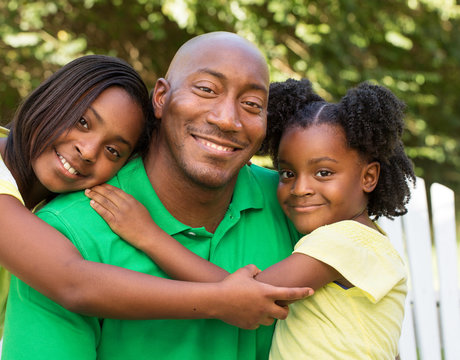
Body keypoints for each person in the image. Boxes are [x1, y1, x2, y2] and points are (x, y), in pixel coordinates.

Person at [0, 55, 310, 360]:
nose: (87, 151)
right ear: (50, 96)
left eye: (113, 150)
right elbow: (71, 281)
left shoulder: (56, 196)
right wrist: (219, 301)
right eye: (83, 122)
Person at [88, 78, 415, 359]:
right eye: (287, 173)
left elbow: (246, 297)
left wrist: (149, 236)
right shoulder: (365, 242)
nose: (300, 188)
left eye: (324, 172)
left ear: (369, 177)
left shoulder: (341, 242)